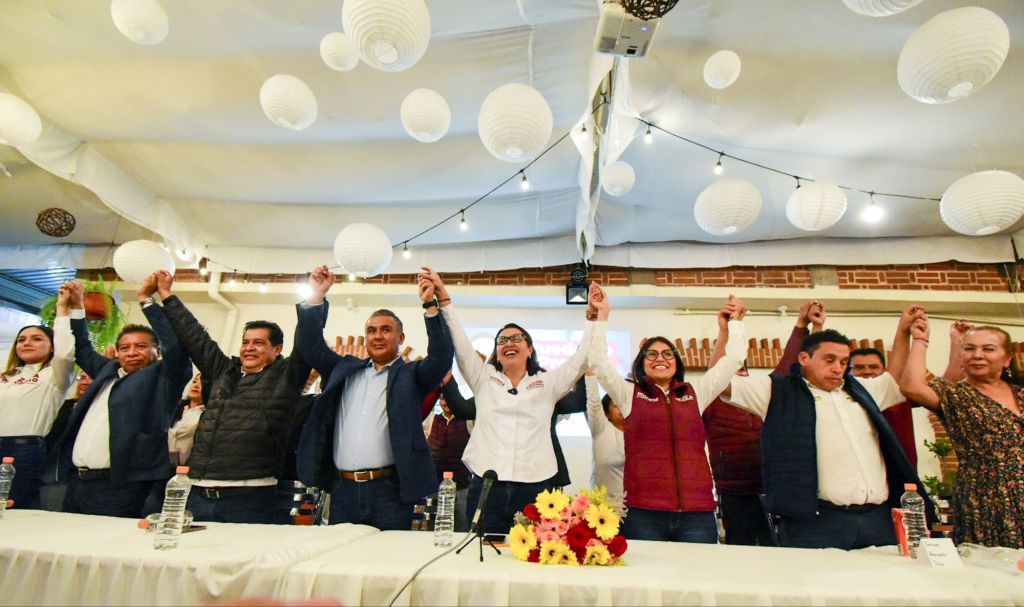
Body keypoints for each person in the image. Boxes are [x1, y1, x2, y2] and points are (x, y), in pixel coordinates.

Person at [721, 310, 934, 550]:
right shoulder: (776, 391)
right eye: (829, 360)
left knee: (885, 574)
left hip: (876, 518)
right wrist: (729, 330)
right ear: (804, 358)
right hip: (816, 521)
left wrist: (904, 332)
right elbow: (722, 382)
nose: (837, 368)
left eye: (843, 362)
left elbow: (893, 379)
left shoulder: (862, 390)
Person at [421, 267, 598, 534]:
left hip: (536, 488)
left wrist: (594, 317)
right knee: (481, 551)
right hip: (487, 486)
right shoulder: (483, 378)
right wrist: (443, 297)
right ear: (497, 351)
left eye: (516, 338)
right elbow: (459, 341)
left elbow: (582, 358)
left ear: (530, 349)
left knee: (533, 553)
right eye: (502, 340)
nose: (508, 343)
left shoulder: (547, 383)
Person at [296, 265, 453, 530]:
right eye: (371, 330)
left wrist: (430, 306)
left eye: (385, 329)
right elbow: (310, 346)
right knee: (342, 555)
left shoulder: (412, 375)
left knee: (387, 555)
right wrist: (316, 296)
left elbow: (441, 357)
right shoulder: (344, 369)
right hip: (342, 489)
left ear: (400, 337)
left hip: (390, 491)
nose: (377, 336)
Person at [587, 285, 747, 543]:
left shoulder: (697, 392)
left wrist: (734, 323)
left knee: (699, 571)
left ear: (676, 361)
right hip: (644, 512)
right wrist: (602, 314)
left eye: (667, 353)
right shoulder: (629, 394)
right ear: (641, 364)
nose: (659, 358)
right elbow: (597, 360)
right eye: (651, 354)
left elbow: (735, 358)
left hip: (697, 512)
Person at [155, 270, 312, 524]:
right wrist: (166, 295)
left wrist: (314, 298)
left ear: (277, 349)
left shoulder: (286, 377)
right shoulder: (223, 371)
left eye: (258, 343)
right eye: (246, 342)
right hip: (197, 491)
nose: (249, 348)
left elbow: (307, 343)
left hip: (249, 495)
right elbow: (195, 337)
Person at [55, 277, 192, 517]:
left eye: (141, 346)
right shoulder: (107, 370)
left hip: (119, 486)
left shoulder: (163, 377)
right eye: (125, 348)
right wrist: (76, 307)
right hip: (77, 482)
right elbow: (82, 348)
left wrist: (146, 301)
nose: (132, 352)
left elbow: (176, 347)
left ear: (157, 351)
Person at [895, 309, 1024, 548]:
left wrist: (958, 340)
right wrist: (920, 340)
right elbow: (912, 386)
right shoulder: (957, 395)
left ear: (1007, 358)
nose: (977, 355)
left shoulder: (1020, 393)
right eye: (969, 349)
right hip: (987, 500)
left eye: (988, 349)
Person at [702, 299, 823, 546]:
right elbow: (716, 373)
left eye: (736, 367)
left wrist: (805, 326)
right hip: (735, 492)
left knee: (780, 549)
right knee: (741, 551)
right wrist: (725, 331)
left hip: (775, 487)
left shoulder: (765, 391)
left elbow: (791, 366)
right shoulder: (713, 398)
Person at [1, 285, 75, 509]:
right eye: (21, 340)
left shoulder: (53, 376)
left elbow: (66, 354)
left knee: (14, 508)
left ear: (52, 347)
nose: (26, 343)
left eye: (36, 339)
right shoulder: (6, 376)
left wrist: (62, 311)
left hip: (24, 450)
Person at [850, 347, 918, 469]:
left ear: (884, 370)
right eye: (859, 368)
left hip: (899, 467)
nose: (867, 371)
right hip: (859, 468)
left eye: (874, 367)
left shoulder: (901, 392)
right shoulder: (841, 399)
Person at [424, 372, 473, 532]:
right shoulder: (431, 419)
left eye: (448, 398)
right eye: (442, 399)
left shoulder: (468, 421)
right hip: (435, 487)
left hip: (462, 486)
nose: (445, 402)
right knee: (434, 529)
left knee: (463, 528)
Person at [585, 373, 624, 507]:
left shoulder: (642, 434)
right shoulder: (601, 429)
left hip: (638, 508)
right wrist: (590, 375)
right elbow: (594, 403)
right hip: (603, 508)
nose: (623, 407)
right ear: (606, 414)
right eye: (617, 405)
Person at [168, 374, 205, 466]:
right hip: (164, 464)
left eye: (202, 383)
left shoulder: (207, 414)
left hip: (188, 466)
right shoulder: (176, 409)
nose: (196, 385)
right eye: (194, 381)